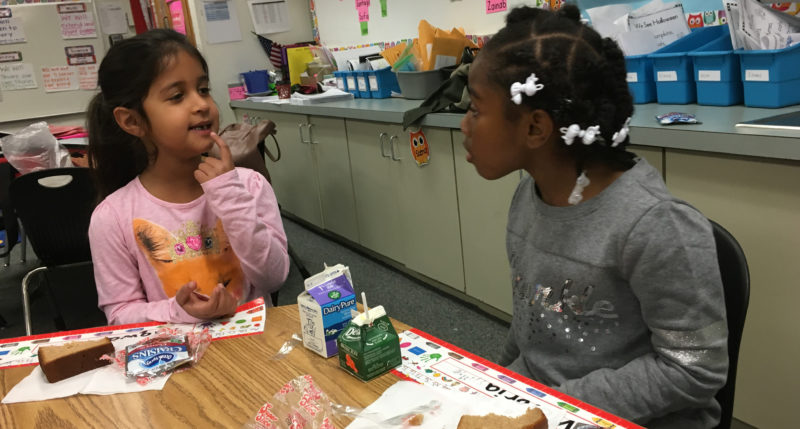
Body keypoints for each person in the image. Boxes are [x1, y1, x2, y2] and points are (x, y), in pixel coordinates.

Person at [460, 5, 728, 428]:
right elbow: (533, 327)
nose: (464, 124)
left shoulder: (657, 225)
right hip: (543, 406)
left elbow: (694, 371)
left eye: (476, 108)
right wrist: (496, 388)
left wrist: (548, 410)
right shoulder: (529, 196)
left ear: (535, 128)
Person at [87, 29, 289, 325]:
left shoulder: (248, 185)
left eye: (204, 89)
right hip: (175, 358)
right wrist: (179, 311)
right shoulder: (113, 216)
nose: (202, 104)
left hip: (255, 348)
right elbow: (120, 314)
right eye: (177, 96)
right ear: (132, 120)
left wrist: (231, 198)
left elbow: (273, 278)